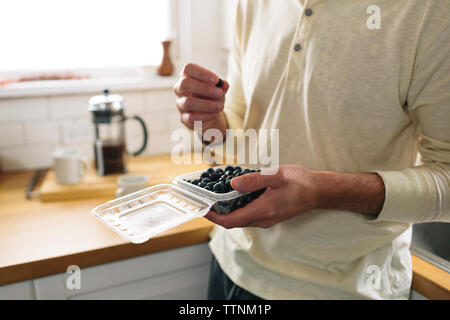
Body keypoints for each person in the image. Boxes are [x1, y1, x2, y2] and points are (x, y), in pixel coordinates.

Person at [173, 1, 450, 299]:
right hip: (232, 263)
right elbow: (244, 118)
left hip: (342, 289)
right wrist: (211, 122)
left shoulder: (430, 10)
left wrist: (323, 191)